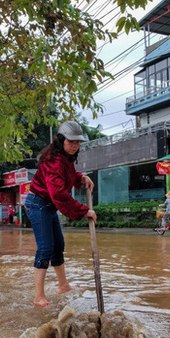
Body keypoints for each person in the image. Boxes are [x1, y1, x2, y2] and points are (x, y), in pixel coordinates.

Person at [24, 120, 97, 307]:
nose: (75, 146)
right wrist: (83, 210)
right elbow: (57, 192)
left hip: (48, 205)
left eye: (78, 142)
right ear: (61, 140)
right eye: (71, 142)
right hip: (37, 203)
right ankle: (38, 296)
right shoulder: (53, 160)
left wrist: (81, 177)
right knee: (46, 248)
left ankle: (63, 285)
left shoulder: (65, 157)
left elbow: (68, 176)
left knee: (58, 245)